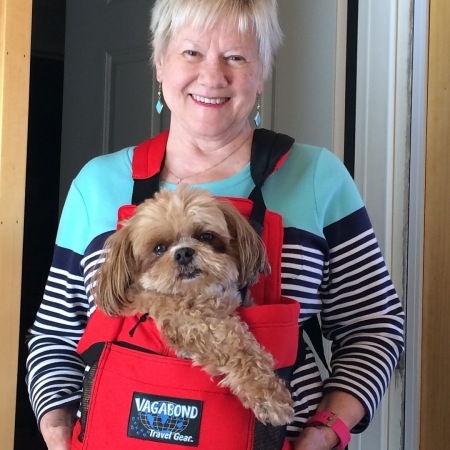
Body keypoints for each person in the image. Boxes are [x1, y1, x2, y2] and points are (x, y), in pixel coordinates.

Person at [26, 0, 405, 449]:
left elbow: (375, 326)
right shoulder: (96, 184)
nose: (212, 76)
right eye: (191, 53)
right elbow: (54, 335)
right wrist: (57, 435)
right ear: (160, 62)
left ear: (261, 70)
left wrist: (326, 433)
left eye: (236, 57)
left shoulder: (317, 177)